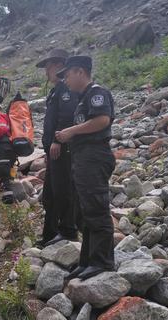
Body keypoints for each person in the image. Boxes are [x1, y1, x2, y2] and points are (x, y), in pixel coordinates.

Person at [55, 56, 116, 281]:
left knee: (96, 207)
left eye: (67, 75)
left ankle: (102, 261)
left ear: (80, 72)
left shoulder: (96, 93)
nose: (65, 81)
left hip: (94, 155)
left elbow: (102, 120)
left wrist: (71, 131)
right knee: (85, 209)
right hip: (83, 157)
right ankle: (88, 260)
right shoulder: (82, 99)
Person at [36, 49, 79, 247]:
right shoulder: (56, 90)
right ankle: (50, 234)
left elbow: (67, 116)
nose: (46, 71)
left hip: (63, 148)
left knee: (63, 190)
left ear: (58, 65)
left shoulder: (66, 89)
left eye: (48, 66)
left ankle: (68, 230)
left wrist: (58, 141)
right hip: (53, 151)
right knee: (50, 195)